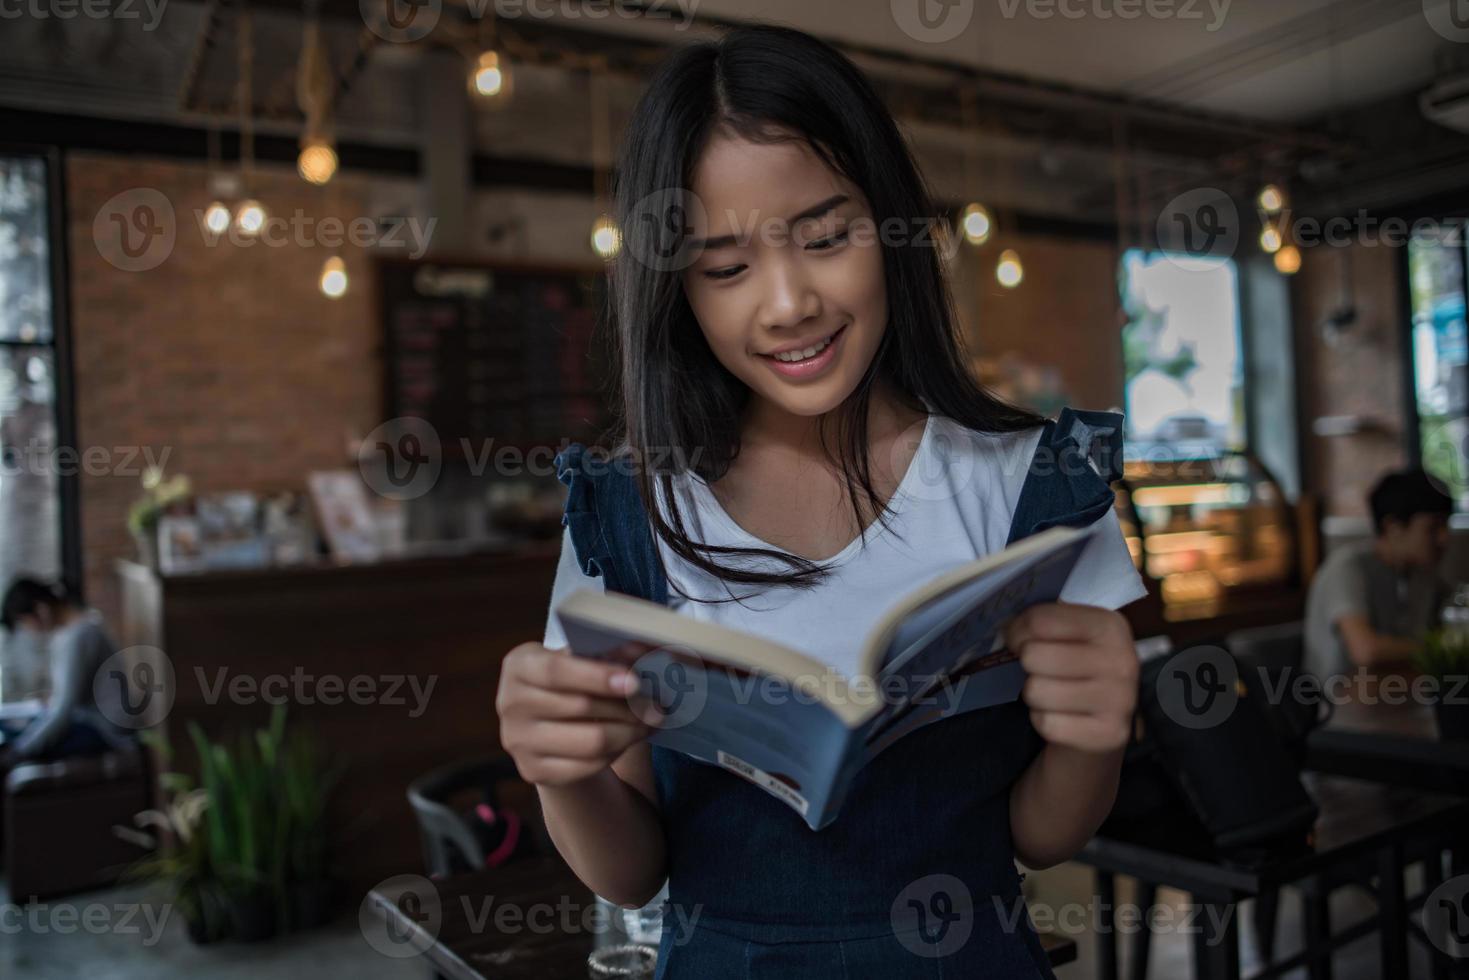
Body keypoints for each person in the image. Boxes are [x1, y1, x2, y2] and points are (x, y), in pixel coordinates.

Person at [494, 25, 1146, 978]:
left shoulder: (1026, 484)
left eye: (828, 237)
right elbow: (630, 877)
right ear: (674, 291)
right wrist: (564, 774)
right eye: (725, 269)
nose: (788, 301)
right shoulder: (632, 513)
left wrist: (1094, 737)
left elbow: (1041, 838)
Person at [1304, 468, 1453, 680]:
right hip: (1338, 706)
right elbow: (1366, 651)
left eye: (1446, 525)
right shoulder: (1347, 568)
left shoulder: (1423, 576)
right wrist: (1443, 647)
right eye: (1433, 527)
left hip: (1397, 696)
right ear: (1393, 527)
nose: (1444, 539)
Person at [0, 577, 133, 767]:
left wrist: (18, 752)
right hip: (85, 720)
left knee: (19, 741)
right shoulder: (69, 633)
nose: (29, 631)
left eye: (24, 623)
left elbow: (63, 712)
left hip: (104, 731)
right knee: (8, 726)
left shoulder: (81, 635)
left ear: (41, 609)